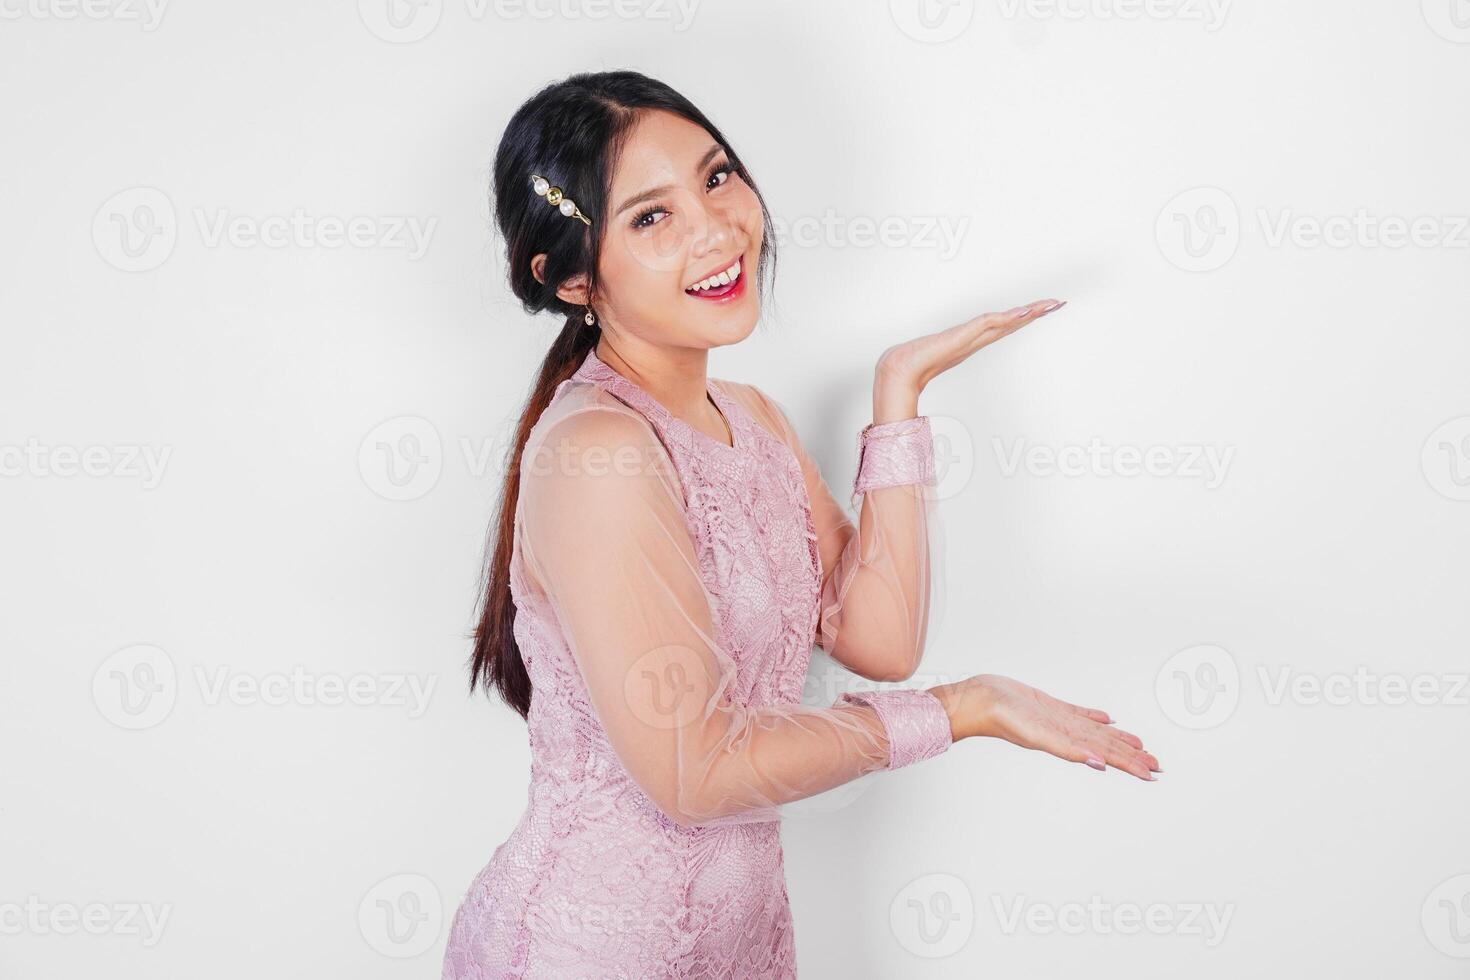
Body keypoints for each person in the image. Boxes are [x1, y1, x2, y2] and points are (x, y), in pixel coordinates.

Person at [444, 69, 1161, 980]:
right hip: (586, 953)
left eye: (715, 177)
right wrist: (961, 710)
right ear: (574, 278)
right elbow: (694, 772)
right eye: (650, 217)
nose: (715, 228)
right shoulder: (597, 452)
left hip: (745, 946)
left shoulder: (755, 419)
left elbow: (880, 638)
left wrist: (896, 401)